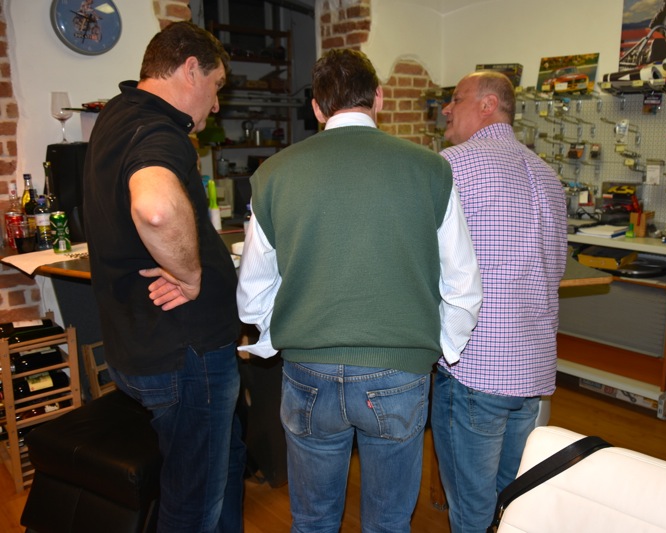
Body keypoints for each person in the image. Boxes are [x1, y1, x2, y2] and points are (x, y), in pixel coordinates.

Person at [236, 48, 482, 533]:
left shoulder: (274, 174)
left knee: (312, 521)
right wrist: (441, 349)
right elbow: (463, 283)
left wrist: (276, 339)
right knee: (389, 523)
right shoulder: (430, 169)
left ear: (317, 108)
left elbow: (253, 292)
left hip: (308, 369)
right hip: (399, 371)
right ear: (379, 99)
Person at [82, 21, 245, 533]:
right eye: (216, 86)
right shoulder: (158, 129)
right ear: (190, 69)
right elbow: (154, 208)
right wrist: (190, 274)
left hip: (144, 344)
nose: (215, 105)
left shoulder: (116, 115)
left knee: (226, 460)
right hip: (185, 354)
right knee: (193, 503)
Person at [430, 71, 568, 533]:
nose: (447, 108)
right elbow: (555, 270)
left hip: (476, 369)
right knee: (511, 500)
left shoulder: (453, 166)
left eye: (456, 99)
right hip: (532, 371)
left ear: (488, 104)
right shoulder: (548, 176)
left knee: (470, 509)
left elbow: (428, 261)